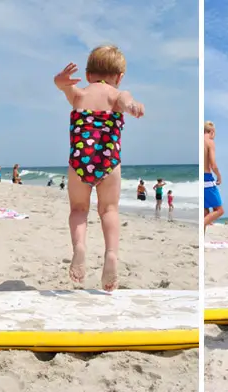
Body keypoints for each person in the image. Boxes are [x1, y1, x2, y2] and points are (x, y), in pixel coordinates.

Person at [53, 45, 144, 291]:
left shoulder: (79, 95)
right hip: (108, 161)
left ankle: (80, 247)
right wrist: (132, 105)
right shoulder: (117, 94)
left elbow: (62, 86)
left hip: (79, 161)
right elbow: (125, 100)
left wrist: (60, 81)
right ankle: (111, 254)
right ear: (119, 76)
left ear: (87, 72)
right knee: (109, 209)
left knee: (79, 209)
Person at [204, 121, 224, 233]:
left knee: (205, 213)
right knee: (220, 210)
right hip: (206, 178)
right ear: (211, 132)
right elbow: (213, 164)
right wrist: (219, 176)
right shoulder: (209, 142)